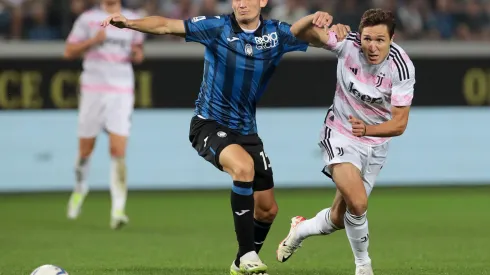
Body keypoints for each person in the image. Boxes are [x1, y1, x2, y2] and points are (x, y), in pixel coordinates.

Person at [101, 2, 332, 274]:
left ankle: (241, 262)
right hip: (208, 124)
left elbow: (320, 40)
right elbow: (165, 25)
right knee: (243, 167)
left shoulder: (276, 34)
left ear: (263, 2)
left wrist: (336, 30)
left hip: (247, 131)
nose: (241, 3)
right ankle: (247, 254)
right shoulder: (216, 27)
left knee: (268, 210)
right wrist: (128, 23)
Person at [276, 8, 416, 275]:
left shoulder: (401, 67)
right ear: (359, 36)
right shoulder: (346, 43)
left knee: (340, 218)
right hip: (339, 133)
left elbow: (399, 124)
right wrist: (316, 19)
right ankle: (363, 266)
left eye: (380, 40)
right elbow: (296, 33)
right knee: (359, 203)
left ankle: (300, 229)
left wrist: (368, 129)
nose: (372, 47)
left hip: (374, 142)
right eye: (367, 39)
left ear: (392, 38)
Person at [64, 0, 145, 230]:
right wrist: (92, 41)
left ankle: (118, 209)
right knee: (85, 150)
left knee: (118, 151)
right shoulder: (87, 19)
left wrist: (137, 53)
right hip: (92, 90)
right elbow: (68, 51)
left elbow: (139, 52)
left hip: (121, 91)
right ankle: (80, 189)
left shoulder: (130, 18)